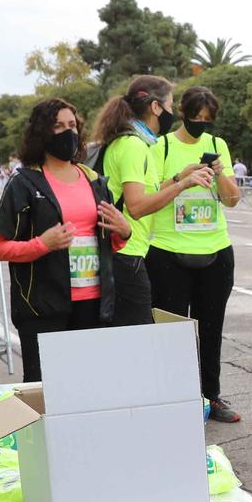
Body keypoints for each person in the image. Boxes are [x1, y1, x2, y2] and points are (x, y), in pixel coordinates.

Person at [0, 99, 133, 381]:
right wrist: (43, 244)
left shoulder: (94, 180)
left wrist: (124, 231)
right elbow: (0, 248)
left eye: (72, 126)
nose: (68, 133)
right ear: (42, 133)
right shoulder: (25, 183)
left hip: (94, 306)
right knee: (46, 390)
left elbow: (111, 243)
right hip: (44, 308)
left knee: (90, 385)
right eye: (58, 126)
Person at [145, 84, 243, 421]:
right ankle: (173, 399)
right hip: (168, 252)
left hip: (214, 251)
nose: (202, 124)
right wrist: (181, 176)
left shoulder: (218, 145)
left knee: (211, 328)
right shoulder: (162, 146)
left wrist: (219, 174)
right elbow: (147, 194)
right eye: (197, 118)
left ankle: (210, 397)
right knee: (173, 332)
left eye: (208, 120)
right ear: (183, 114)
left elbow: (232, 199)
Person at [90, 74, 178, 327]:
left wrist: (179, 178)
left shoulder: (126, 142)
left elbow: (143, 192)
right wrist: (183, 185)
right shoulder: (134, 146)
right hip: (125, 256)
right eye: (170, 106)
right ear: (155, 107)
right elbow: (137, 206)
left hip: (123, 253)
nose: (171, 113)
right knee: (136, 336)